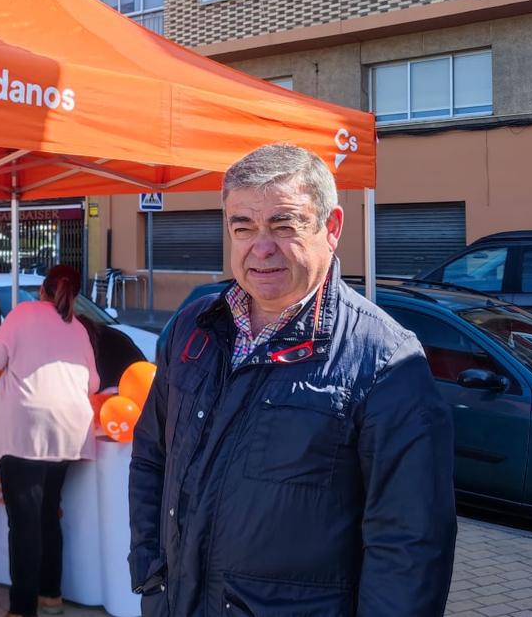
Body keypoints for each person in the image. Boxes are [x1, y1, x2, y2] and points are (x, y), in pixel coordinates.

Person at [129, 143, 457, 617]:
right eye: (243, 227)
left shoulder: (384, 360)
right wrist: (151, 573)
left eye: (285, 225)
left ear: (333, 228)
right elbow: (151, 459)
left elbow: (410, 544)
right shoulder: (191, 329)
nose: (262, 247)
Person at [0, 264, 99, 617]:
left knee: (25, 521)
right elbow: (92, 382)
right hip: (69, 429)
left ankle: (21, 608)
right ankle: (51, 597)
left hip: (24, 428)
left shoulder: (24, 312)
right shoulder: (78, 328)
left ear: (43, 290)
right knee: (48, 513)